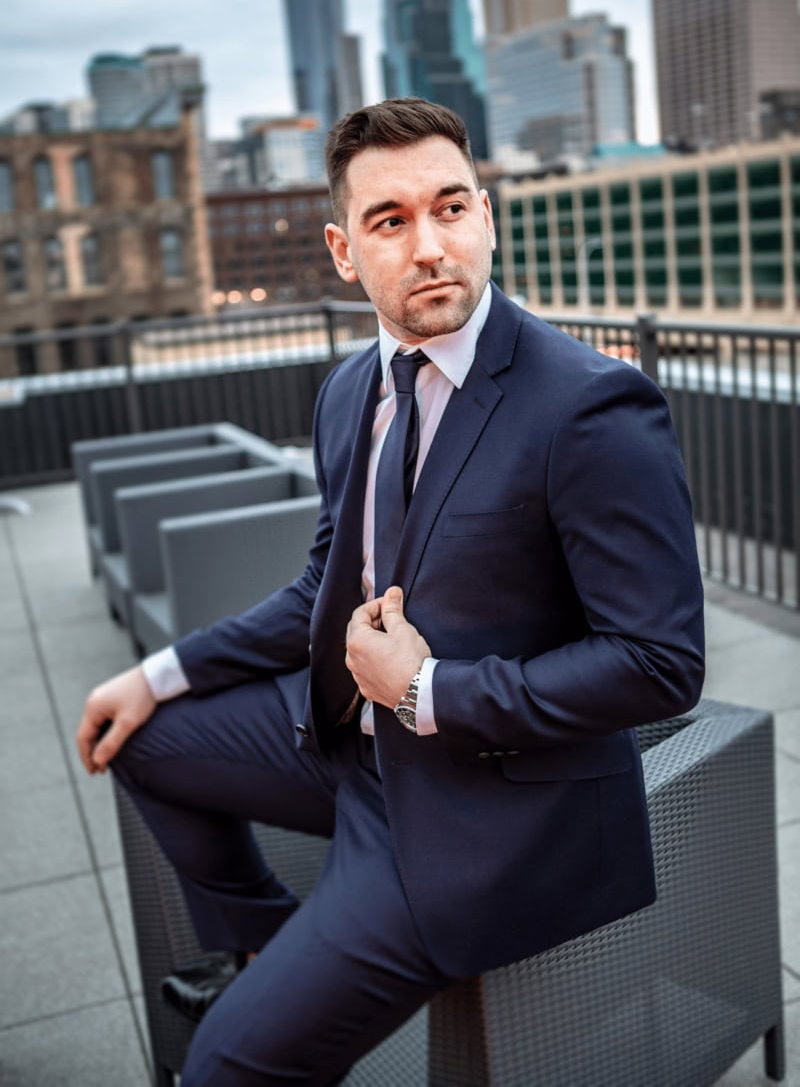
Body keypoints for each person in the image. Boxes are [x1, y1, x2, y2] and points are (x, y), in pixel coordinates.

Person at [76, 97, 705, 1086]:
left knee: (219, 1073)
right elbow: (318, 594)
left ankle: (268, 992)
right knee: (144, 740)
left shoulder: (587, 407)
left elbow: (659, 665)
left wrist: (426, 691)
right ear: (341, 249)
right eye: (389, 220)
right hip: (344, 753)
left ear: (486, 216)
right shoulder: (346, 393)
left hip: (475, 811)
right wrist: (157, 674)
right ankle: (261, 949)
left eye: (450, 208)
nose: (429, 247)